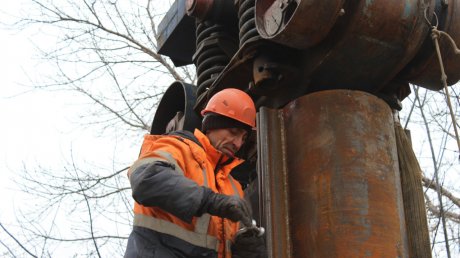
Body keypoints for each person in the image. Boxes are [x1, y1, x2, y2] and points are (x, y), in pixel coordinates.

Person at [124, 88, 266, 258]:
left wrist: (245, 251)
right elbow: (146, 179)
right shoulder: (178, 148)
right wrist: (211, 201)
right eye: (233, 132)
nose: (237, 143)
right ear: (212, 126)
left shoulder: (233, 188)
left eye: (243, 138)